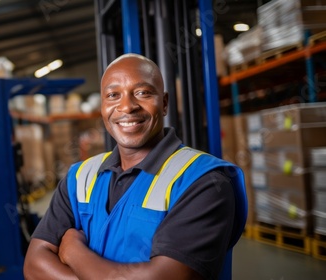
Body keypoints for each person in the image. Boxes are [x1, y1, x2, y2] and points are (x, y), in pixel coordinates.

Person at [24, 53, 247, 280]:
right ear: (102, 107)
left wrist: (74, 252)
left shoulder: (204, 181)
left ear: (165, 103)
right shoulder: (79, 177)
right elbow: (34, 265)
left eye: (142, 93)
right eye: (113, 95)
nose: (127, 106)